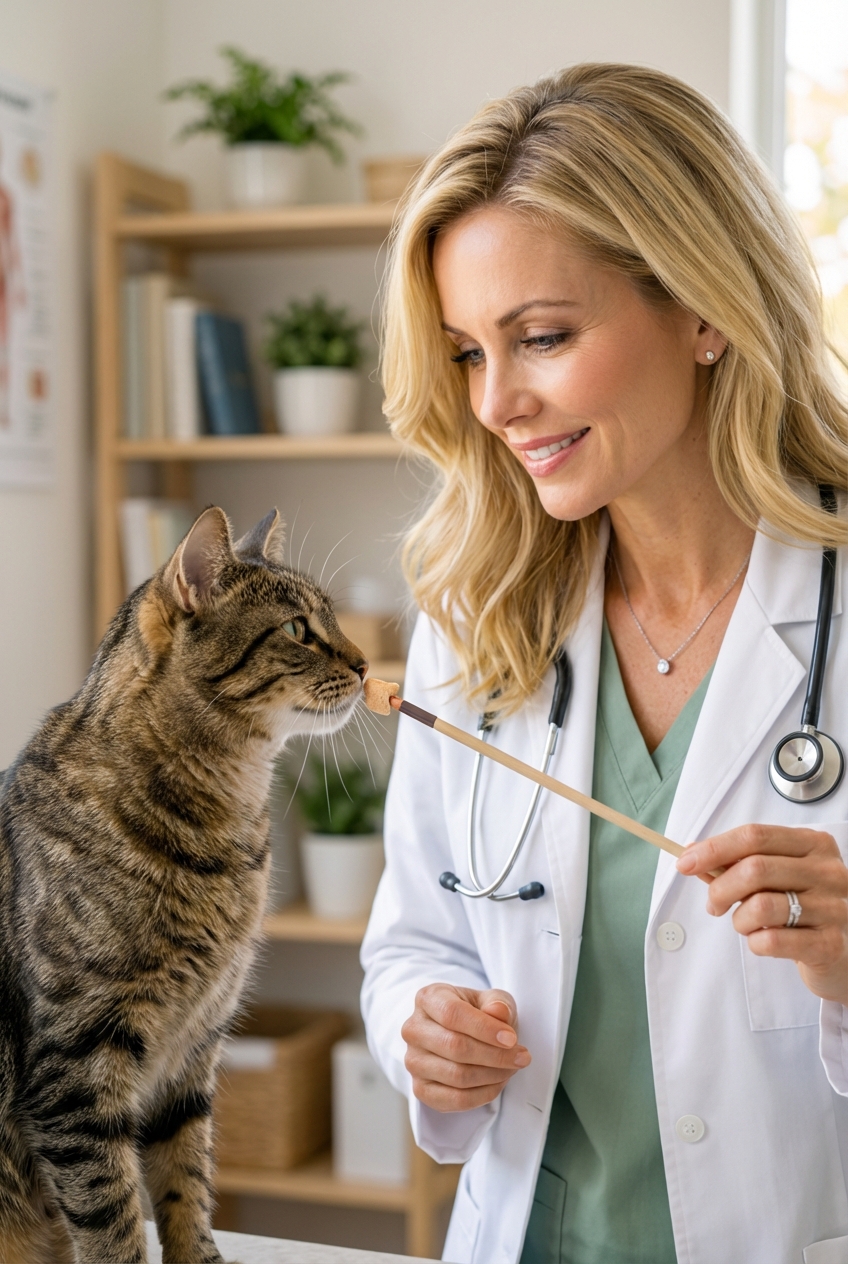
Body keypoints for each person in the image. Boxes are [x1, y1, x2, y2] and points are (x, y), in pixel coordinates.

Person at [360, 64, 848, 1264]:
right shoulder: (475, 619)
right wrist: (420, 1026)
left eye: (540, 338)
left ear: (702, 308)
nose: (496, 404)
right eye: (467, 353)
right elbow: (413, 938)